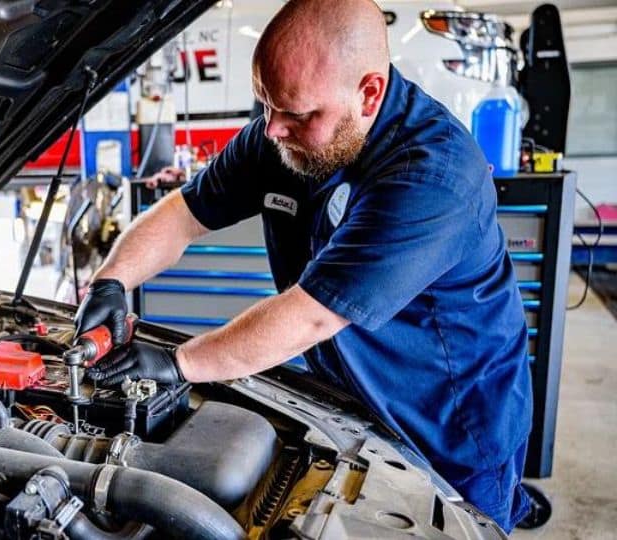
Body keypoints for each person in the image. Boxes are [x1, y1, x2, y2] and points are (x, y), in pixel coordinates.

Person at [73, 0, 533, 532]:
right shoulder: (282, 131)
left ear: (369, 94)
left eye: (296, 113)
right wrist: (110, 281)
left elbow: (311, 316)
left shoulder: (432, 176)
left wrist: (178, 364)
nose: (271, 130)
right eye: (265, 103)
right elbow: (183, 214)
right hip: (351, 406)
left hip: (451, 431)